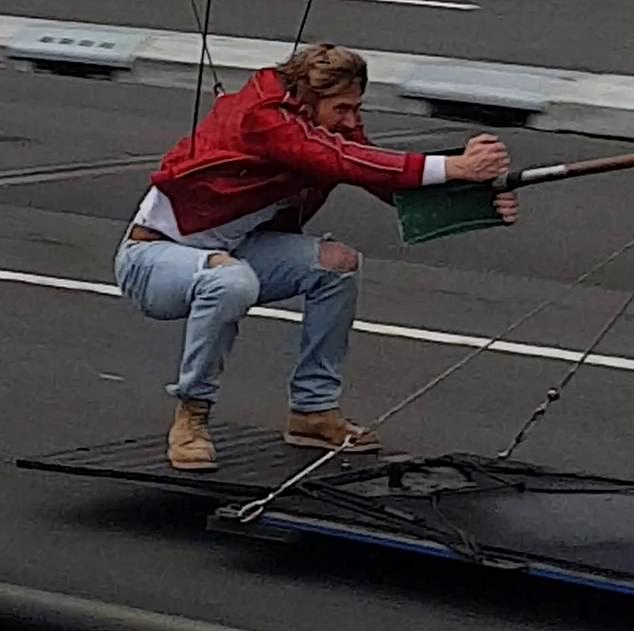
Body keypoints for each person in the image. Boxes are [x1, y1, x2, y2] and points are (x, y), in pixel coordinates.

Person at [114, 42, 519, 472]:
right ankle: (191, 415)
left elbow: (385, 181)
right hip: (154, 260)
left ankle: (312, 410)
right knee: (231, 281)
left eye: (356, 108)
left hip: (232, 251)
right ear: (307, 100)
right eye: (343, 108)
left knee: (337, 264)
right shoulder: (262, 119)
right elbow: (344, 161)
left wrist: (483, 199)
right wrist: (457, 166)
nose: (352, 121)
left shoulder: (327, 125)